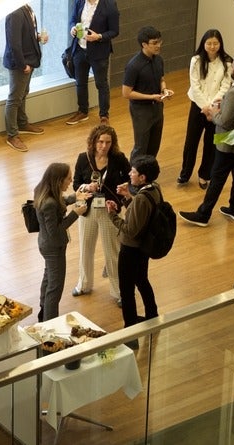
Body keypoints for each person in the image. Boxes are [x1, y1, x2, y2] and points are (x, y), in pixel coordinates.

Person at [178, 54, 234, 227]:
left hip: (229, 144)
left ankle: (203, 214)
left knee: (217, 177)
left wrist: (213, 114)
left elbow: (225, 121)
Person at [105, 155, 162, 349]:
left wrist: (112, 215)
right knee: (142, 281)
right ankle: (153, 317)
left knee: (127, 291)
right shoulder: (154, 190)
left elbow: (130, 229)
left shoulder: (141, 200)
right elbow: (140, 217)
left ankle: (130, 333)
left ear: (143, 177)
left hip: (131, 250)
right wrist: (129, 198)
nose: (130, 173)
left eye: (134, 172)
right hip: (143, 248)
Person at [72, 125, 130, 306]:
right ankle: (84, 284)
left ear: (113, 143)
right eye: (100, 141)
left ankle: (119, 291)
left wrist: (122, 192)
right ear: (94, 141)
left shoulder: (119, 159)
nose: (103, 146)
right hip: (87, 210)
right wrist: (86, 187)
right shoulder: (84, 158)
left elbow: (129, 180)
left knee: (112, 251)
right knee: (85, 249)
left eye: (108, 142)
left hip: (109, 211)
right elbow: (75, 185)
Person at [34, 163, 90, 322]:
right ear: (58, 180)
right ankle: (50, 323)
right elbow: (55, 231)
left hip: (45, 244)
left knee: (48, 278)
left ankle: (43, 313)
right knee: (55, 288)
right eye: (68, 178)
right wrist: (75, 213)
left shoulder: (43, 191)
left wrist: (75, 197)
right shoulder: (49, 203)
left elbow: (60, 201)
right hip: (53, 247)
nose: (71, 181)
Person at [177, 29, 233, 189]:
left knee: (211, 143)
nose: (212, 46)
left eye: (215, 43)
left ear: (220, 44)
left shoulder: (227, 61)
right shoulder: (196, 60)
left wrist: (213, 105)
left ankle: (204, 175)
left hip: (216, 107)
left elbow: (225, 85)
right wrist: (205, 106)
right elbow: (195, 86)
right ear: (204, 43)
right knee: (191, 141)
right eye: (209, 43)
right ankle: (185, 173)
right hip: (198, 105)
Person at [65, 0, 120, 126]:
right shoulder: (79, 2)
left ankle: (104, 115)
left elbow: (114, 31)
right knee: (80, 82)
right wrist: (72, 27)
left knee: (101, 84)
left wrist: (99, 36)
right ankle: (82, 111)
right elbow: (73, 19)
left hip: (99, 52)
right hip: (79, 49)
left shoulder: (109, 5)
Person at [122, 26, 172, 161]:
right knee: (141, 146)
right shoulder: (133, 65)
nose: (158, 45)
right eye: (154, 43)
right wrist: (151, 97)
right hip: (141, 111)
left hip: (157, 107)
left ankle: (148, 175)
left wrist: (164, 89)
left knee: (154, 144)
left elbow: (161, 79)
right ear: (144, 44)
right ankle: (134, 177)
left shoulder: (159, 60)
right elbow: (126, 93)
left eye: (159, 42)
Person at [3, 3, 47, 152]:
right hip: (21, 64)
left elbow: (27, 33)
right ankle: (12, 135)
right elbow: (14, 44)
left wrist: (38, 37)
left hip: (29, 60)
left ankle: (22, 123)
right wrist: (22, 65)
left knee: (23, 94)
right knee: (14, 98)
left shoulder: (26, 7)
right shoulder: (14, 12)